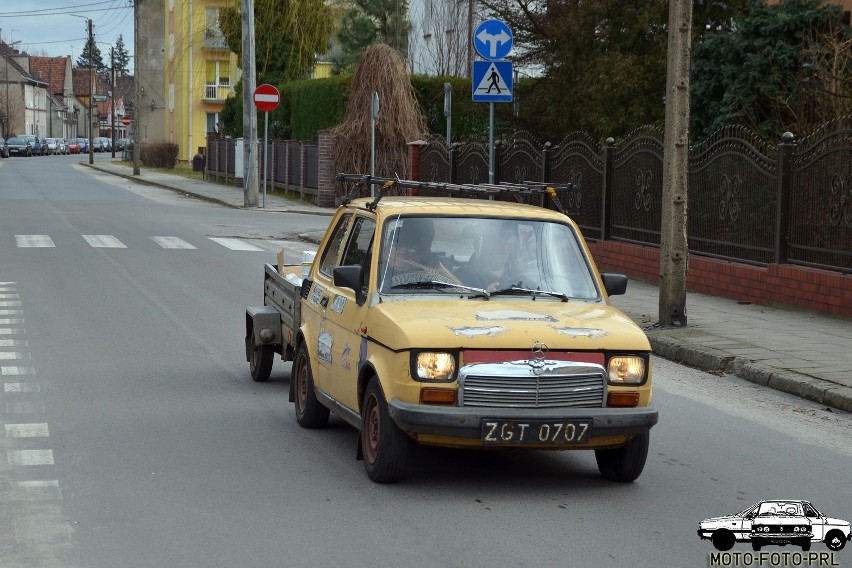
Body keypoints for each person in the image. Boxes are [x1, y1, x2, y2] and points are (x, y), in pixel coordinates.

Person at [380, 218, 459, 289]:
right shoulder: (377, 268)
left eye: (410, 248)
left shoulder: (438, 268)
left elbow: (457, 288)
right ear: (385, 250)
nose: (403, 252)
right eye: (396, 246)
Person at [456, 222, 518, 291]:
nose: (502, 248)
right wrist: (485, 295)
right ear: (481, 245)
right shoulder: (462, 277)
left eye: (507, 242)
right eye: (497, 241)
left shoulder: (521, 276)